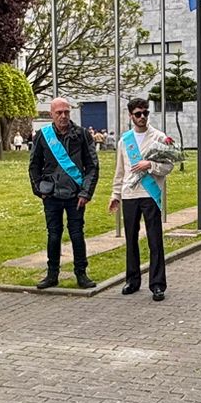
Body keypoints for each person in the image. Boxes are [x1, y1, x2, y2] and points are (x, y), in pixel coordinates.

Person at [28, 97, 99, 289]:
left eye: (66, 112)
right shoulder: (43, 136)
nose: (63, 116)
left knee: (77, 234)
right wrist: (39, 190)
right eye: (59, 112)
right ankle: (52, 274)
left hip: (76, 195)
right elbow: (34, 166)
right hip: (51, 195)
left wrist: (85, 193)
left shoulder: (82, 134)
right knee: (53, 235)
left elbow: (92, 166)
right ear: (51, 114)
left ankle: (81, 274)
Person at [109, 99, 176, 301]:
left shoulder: (159, 137)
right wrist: (115, 195)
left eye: (145, 113)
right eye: (138, 114)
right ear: (131, 116)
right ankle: (132, 280)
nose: (142, 117)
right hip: (130, 195)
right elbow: (119, 171)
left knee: (155, 240)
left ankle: (157, 284)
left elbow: (169, 166)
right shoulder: (124, 141)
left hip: (150, 194)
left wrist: (150, 165)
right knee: (131, 239)